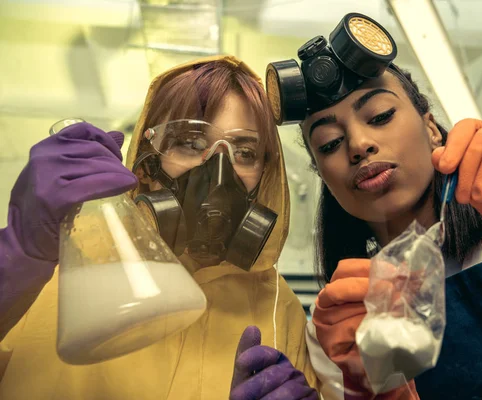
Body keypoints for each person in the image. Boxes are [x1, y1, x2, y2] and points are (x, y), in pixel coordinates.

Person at [265, 13, 482, 400]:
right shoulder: (344, 326)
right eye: (328, 144)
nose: (358, 144)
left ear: (430, 127)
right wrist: (373, 387)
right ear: (324, 176)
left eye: (380, 116)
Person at [0, 55, 318, 399]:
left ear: (265, 175)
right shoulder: (58, 265)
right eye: (190, 143)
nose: (219, 170)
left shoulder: (276, 305)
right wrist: (14, 263)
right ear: (145, 164)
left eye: (244, 152)